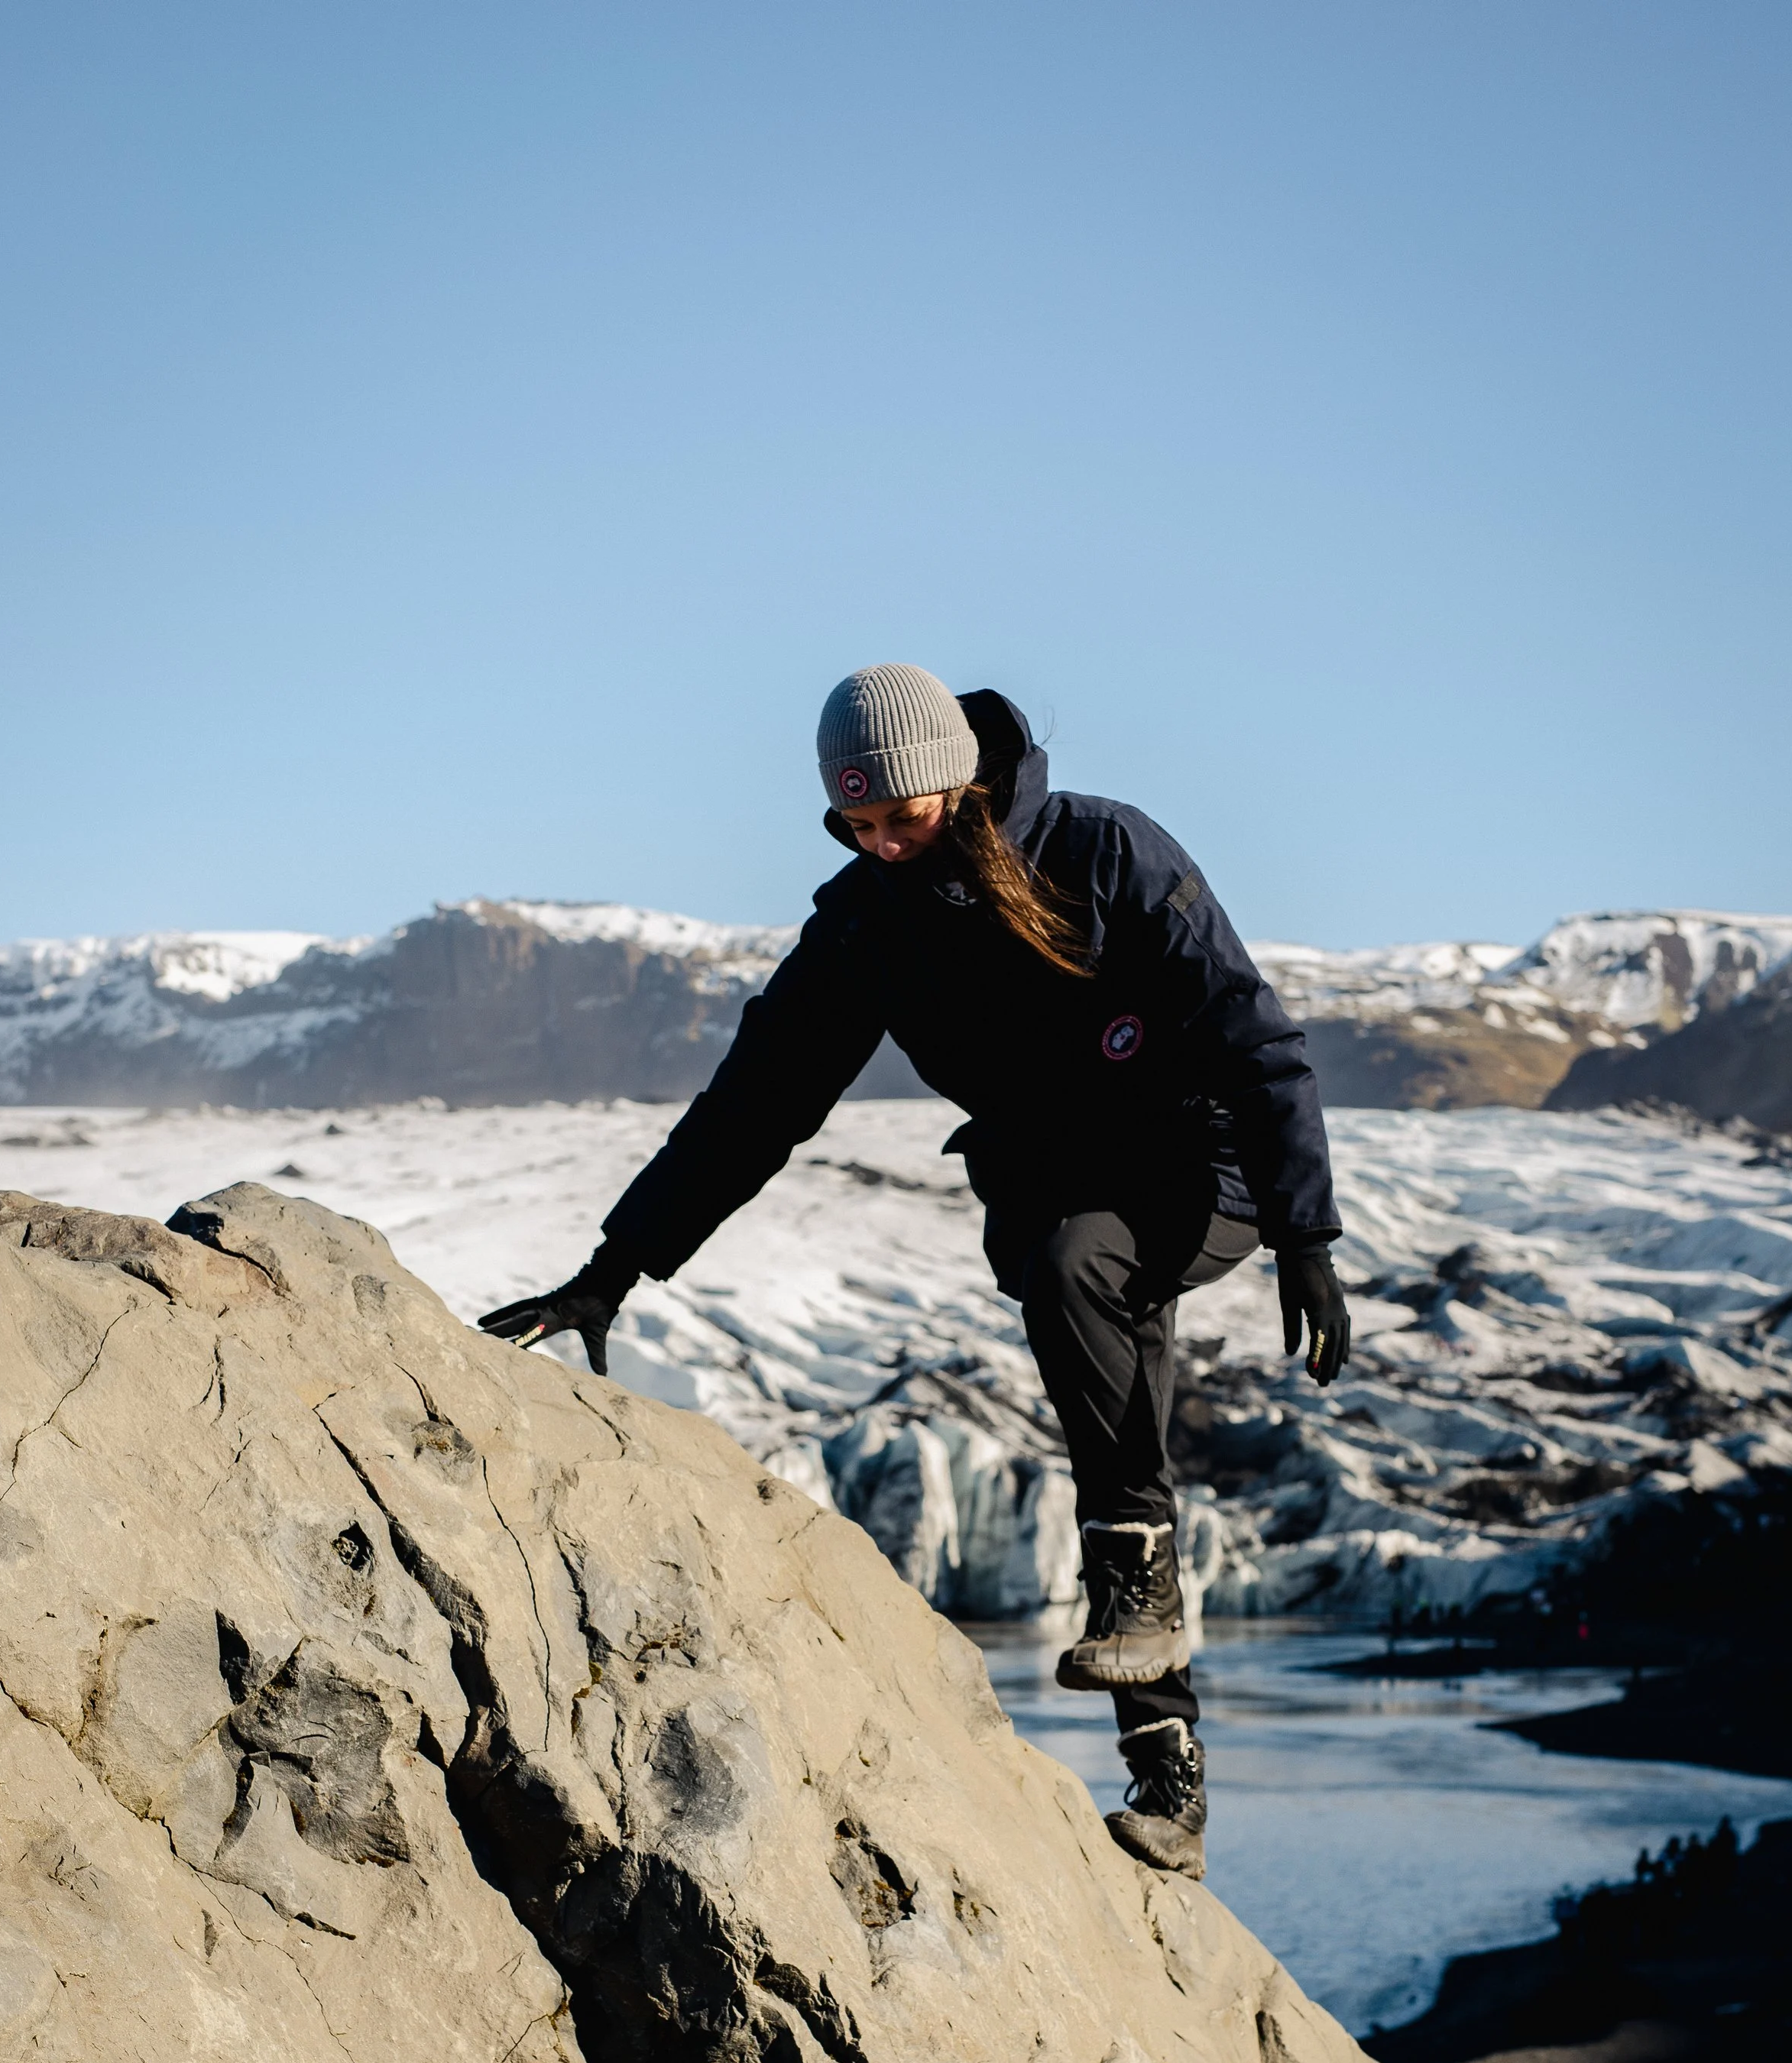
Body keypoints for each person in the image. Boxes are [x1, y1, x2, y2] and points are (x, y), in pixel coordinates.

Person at [481, 665, 1350, 1874]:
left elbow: (1258, 1042)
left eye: (904, 816)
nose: (884, 844)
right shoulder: (865, 924)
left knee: (1079, 1274)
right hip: (1055, 1181)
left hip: (1204, 1165)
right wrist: (613, 1269)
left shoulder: (1104, 853)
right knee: (1097, 1362)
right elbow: (755, 1105)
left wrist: (1306, 1239)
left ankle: (1144, 1619)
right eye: (858, 824)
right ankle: (1168, 1775)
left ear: (960, 783)